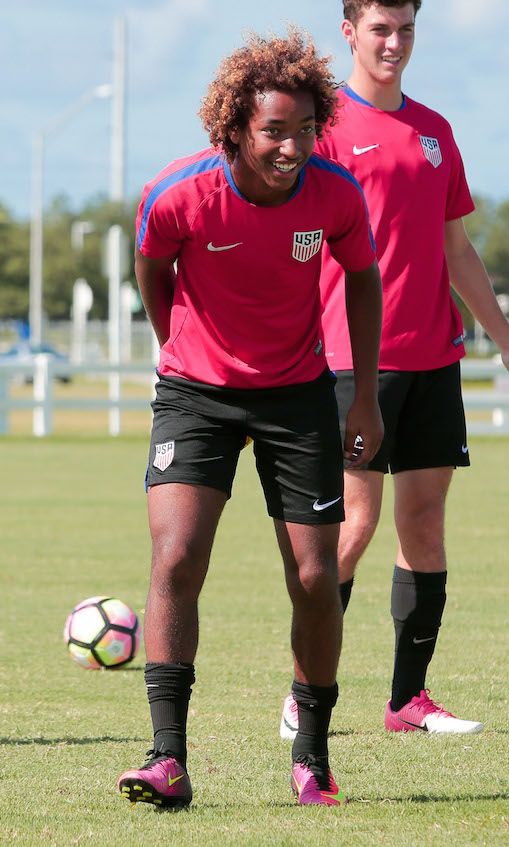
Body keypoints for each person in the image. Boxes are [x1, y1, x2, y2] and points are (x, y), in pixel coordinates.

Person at [117, 28, 383, 809]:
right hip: (195, 393)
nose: (292, 146)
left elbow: (362, 282)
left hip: (298, 392)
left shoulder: (334, 193)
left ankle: (312, 757)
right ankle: (167, 759)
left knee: (313, 577)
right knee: (176, 557)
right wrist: (175, 347)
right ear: (234, 126)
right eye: (274, 130)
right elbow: (150, 264)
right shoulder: (178, 193)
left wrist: (362, 394)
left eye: (305, 129)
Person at [280, 0, 509, 741]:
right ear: (348, 31)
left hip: (434, 357)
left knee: (424, 525)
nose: (394, 43)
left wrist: (503, 337)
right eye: (380, 28)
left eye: (406, 28)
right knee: (352, 526)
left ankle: (407, 699)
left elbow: (455, 249)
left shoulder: (434, 130)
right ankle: (303, 692)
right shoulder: (324, 131)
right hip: (351, 361)